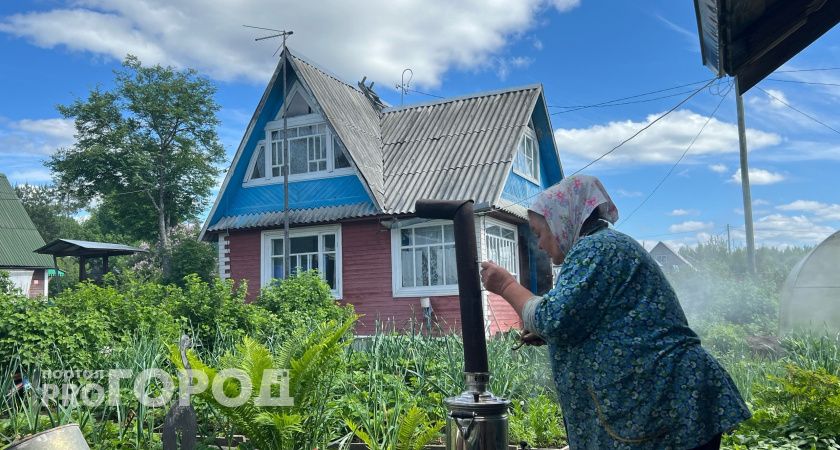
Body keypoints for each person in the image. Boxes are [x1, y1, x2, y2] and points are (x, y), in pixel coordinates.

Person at [479, 175, 750, 450]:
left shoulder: (596, 248)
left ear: (561, 220)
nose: (539, 245)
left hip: (668, 400)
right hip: (667, 399)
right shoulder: (601, 248)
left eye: (539, 233)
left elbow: (554, 319)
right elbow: (600, 318)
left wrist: (506, 285)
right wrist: (549, 333)